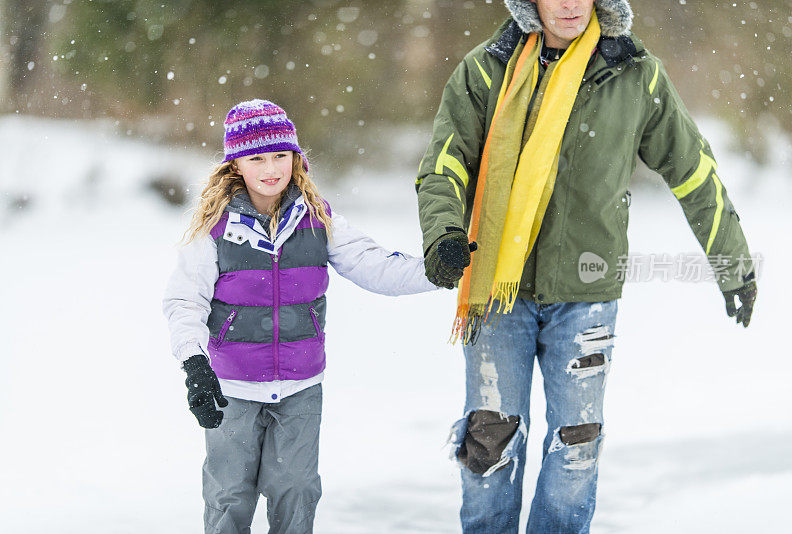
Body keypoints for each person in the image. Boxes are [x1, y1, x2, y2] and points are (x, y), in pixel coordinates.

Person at [415, 1, 757, 532]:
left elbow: (693, 171)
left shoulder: (634, 72)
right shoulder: (488, 68)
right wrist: (444, 234)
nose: (571, 4)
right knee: (489, 440)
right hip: (497, 292)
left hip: (587, 294)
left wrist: (732, 263)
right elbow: (445, 163)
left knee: (577, 444)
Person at [163, 99, 435, 534]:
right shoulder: (213, 227)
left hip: (300, 388)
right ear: (236, 164)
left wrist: (437, 271)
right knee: (229, 495)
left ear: (295, 157)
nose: (271, 168)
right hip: (231, 389)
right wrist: (195, 362)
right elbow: (184, 302)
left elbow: (375, 265)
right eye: (257, 158)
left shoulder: (316, 219)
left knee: (297, 490)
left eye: (280, 155)